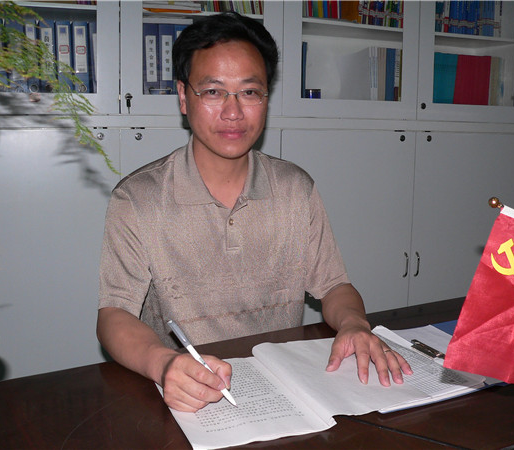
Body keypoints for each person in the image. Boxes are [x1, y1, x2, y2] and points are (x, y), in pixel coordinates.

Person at [97, 12, 411, 413]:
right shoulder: (138, 198)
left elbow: (335, 286)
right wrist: (165, 364)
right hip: (187, 393)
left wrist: (353, 324)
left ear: (265, 98)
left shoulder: (295, 188)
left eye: (249, 92)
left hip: (284, 387)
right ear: (183, 97)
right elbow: (114, 314)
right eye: (213, 92)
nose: (233, 112)